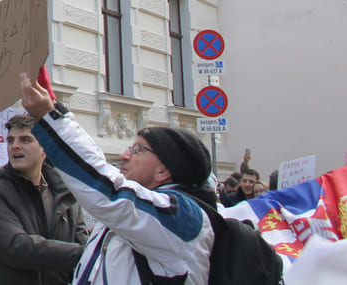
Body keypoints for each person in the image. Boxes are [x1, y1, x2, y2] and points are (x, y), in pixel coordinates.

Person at [19, 70, 216, 284]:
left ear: (163, 171)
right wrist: (51, 111)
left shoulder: (181, 215)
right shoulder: (137, 215)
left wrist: (49, 117)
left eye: (138, 150)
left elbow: (106, 189)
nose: (124, 155)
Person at [0, 114, 86, 285]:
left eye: (25, 140)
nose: (15, 146)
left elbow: (82, 242)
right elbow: (17, 248)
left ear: (44, 148)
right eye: (10, 141)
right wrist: (88, 254)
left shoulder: (65, 194)